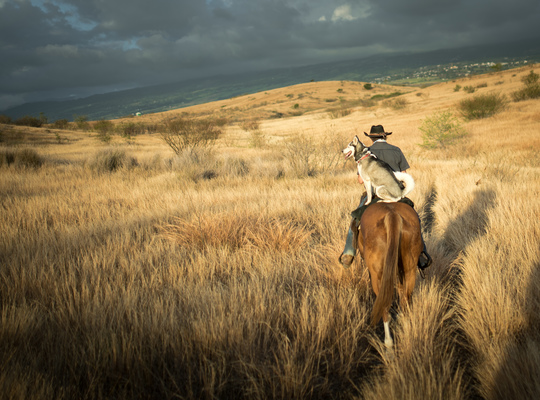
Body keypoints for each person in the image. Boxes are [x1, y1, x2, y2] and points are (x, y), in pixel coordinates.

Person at [339, 125, 432, 274]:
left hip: (376, 194)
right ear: (385, 136)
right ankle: (421, 254)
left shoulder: (366, 153)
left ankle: (348, 253)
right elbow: (404, 174)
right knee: (415, 219)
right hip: (396, 193)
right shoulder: (396, 150)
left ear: (371, 138)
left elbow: (361, 180)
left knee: (355, 220)